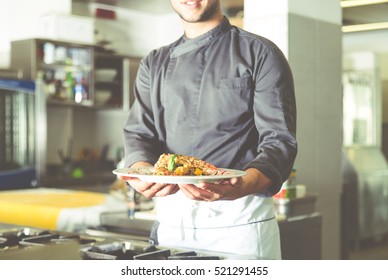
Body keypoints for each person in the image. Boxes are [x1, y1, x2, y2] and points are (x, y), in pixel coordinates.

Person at [121, 0, 297, 260]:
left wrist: (244, 184)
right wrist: (140, 169)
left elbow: (279, 142)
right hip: (173, 227)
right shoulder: (153, 63)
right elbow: (140, 133)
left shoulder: (260, 53)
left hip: (239, 228)